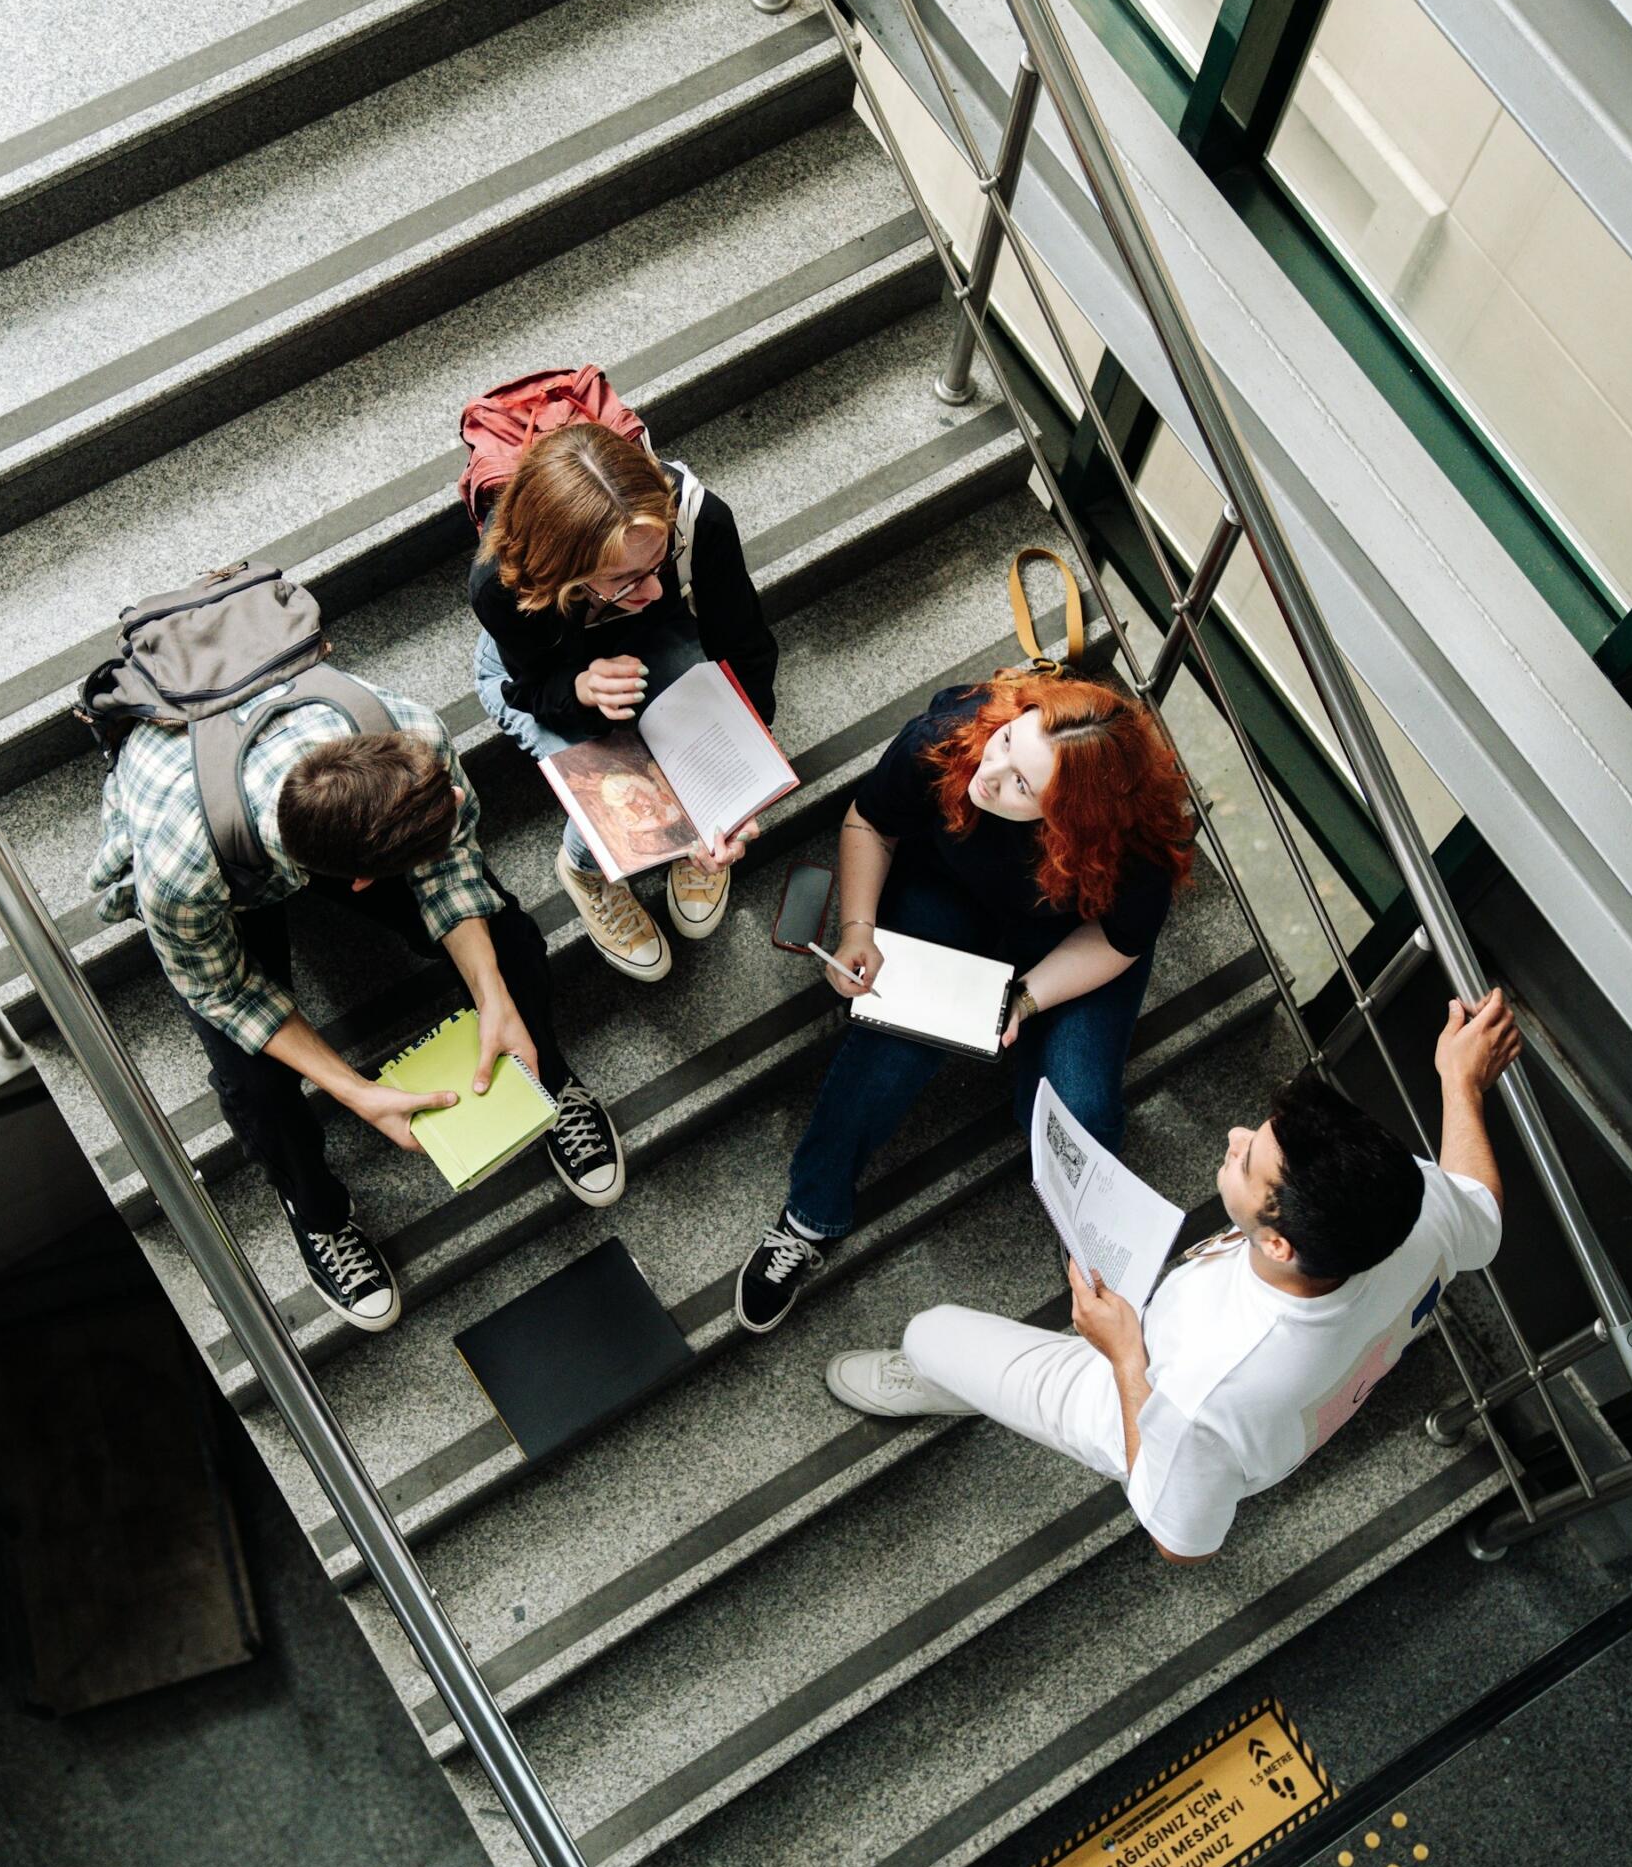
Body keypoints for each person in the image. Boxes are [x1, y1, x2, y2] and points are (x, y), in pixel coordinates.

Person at [826, 991, 1522, 1564]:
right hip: (1240, 1398)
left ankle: (944, 1380)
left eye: (1249, 1161)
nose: (1233, 1137)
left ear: (1278, 1242)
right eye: (1259, 1132)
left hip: (1134, 1400)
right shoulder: (1411, 1205)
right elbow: (1481, 1215)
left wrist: (1125, 1357)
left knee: (930, 1332)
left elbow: (1179, 1540)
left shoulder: (1206, 1395)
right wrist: (1458, 1084)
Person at [89, 682, 624, 1332]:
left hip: (281, 805)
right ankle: (315, 1209)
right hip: (221, 850)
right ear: (362, 884)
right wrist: (354, 1091)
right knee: (252, 1083)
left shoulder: (408, 731)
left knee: (508, 938)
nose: (459, 799)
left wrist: (494, 998)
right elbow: (222, 990)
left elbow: (452, 860)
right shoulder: (180, 870)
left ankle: (548, 1083)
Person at [735, 669, 1195, 1333]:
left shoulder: (1135, 848)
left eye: (1020, 784)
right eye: (1007, 742)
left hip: (1070, 934)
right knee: (887, 1051)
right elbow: (870, 820)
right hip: (948, 892)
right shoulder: (953, 738)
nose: (990, 771)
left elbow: (1118, 943)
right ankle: (809, 1217)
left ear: (1073, 819)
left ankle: (1096, 1274)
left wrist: (1028, 999)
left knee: (1081, 1107)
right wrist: (858, 927)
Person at [471, 423, 777, 981]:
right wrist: (581, 690)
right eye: (624, 579)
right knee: (607, 785)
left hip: (657, 642)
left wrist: (740, 787)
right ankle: (586, 870)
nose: (655, 590)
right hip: (543, 674)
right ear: (560, 570)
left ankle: (694, 839)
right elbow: (533, 688)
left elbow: (745, 649)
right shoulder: (502, 582)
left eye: (658, 562)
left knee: (704, 759)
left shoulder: (699, 520)